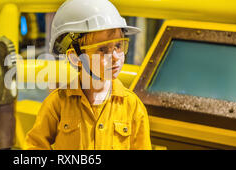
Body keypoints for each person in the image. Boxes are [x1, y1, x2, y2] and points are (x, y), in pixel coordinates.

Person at [25, 0, 151, 150]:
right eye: (103, 49)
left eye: (118, 45)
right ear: (76, 57)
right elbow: (35, 145)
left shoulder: (133, 107)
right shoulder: (57, 105)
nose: (116, 56)